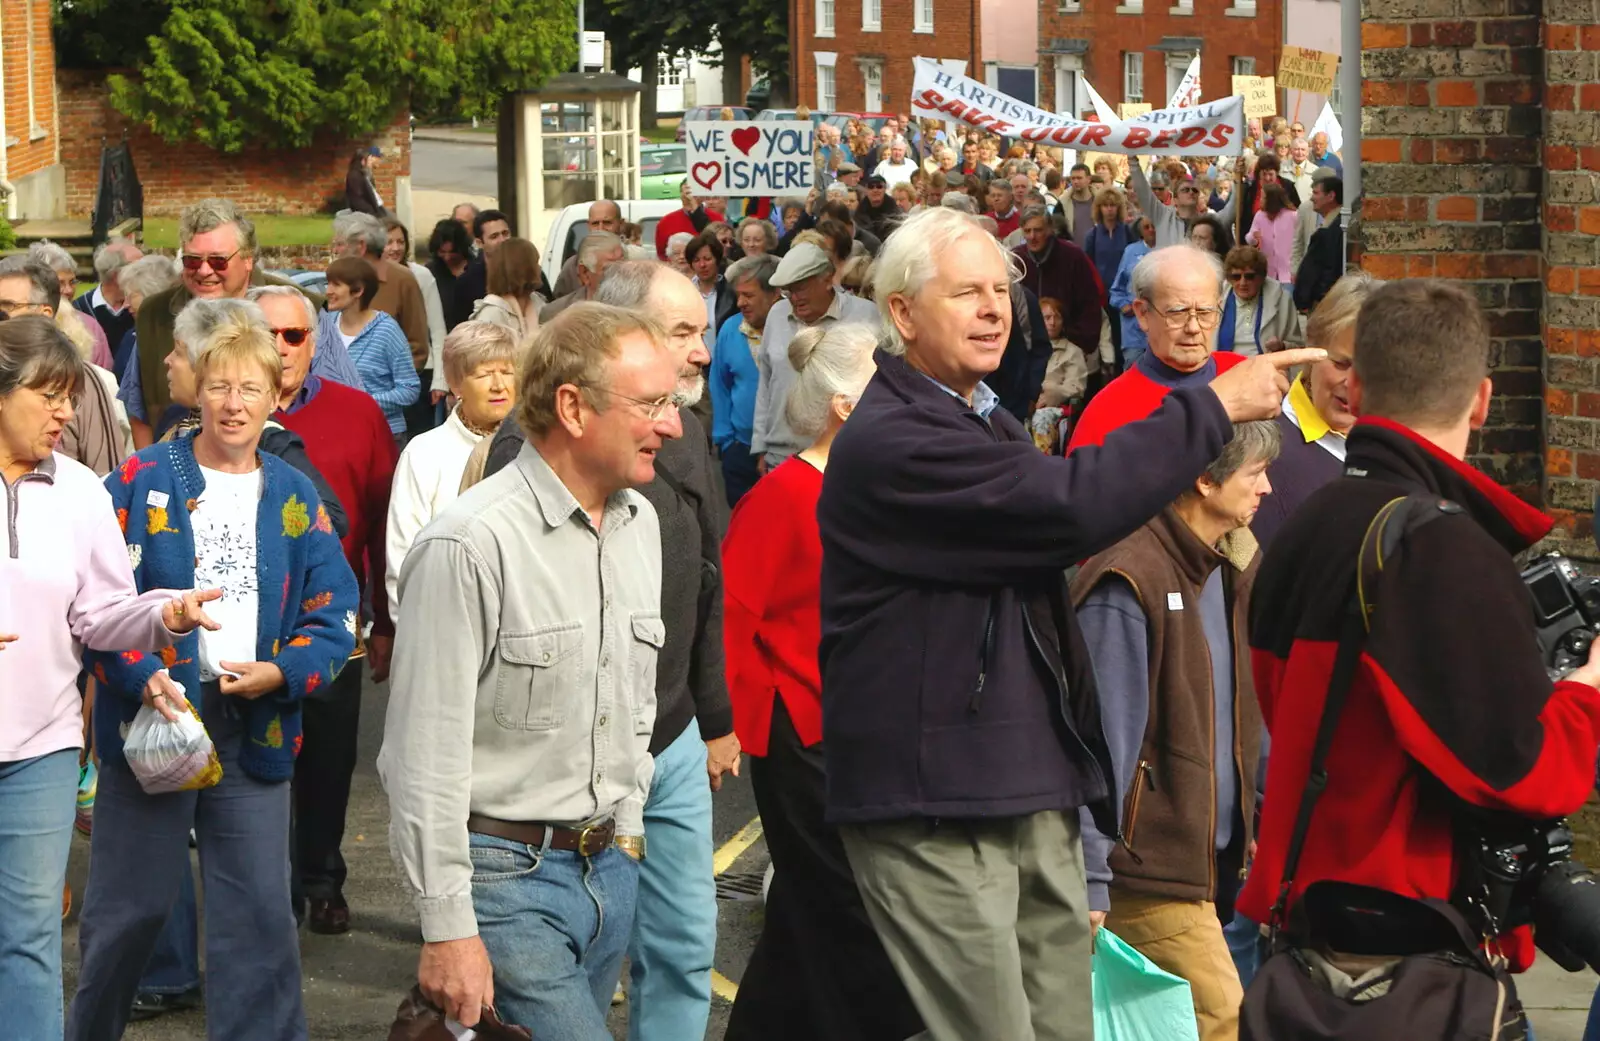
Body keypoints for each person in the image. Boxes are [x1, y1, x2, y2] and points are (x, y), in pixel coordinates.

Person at [817, 208, 1321, 1041]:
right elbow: (1067, 506)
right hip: (937, 800)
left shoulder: (985, 419)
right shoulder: (898, 437)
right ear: (902, 314)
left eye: (1000, 290)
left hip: (1023, 786)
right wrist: (1212, 405)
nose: (994, 309)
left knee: (1063, 1027)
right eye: (965, 293)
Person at [1239, 278, 1600, 982]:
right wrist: (1585, 690)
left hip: (1307, 921)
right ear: (1483, 398)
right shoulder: (1445, 550)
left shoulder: (1301, 525)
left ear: (1361, 387)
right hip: (1410, 945)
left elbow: (1281, 709)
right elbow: (1526, 771)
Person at [380, 302, 678, 1035]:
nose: (670, 425)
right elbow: (421, 755)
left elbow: (635, 704)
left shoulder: (642, 526)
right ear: (573, 407)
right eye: (651, 404)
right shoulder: (468, 545)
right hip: (503, 881)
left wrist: (629, 830)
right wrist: (449, 927)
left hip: (610, 866)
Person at [67, 308, 358, 1041]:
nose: (233, 403)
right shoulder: (137, 477)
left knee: (259, 918)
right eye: (220, 385)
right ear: (196, 389)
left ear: (275, 399)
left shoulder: (293, 493)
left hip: (253, 730)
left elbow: (336, 620)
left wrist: (282, 672)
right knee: (127, 911)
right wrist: (139, 677)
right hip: (153, 720)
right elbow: (96, 600)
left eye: (250, 389)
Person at [484, 263, 735, 1041]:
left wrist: (716, 715)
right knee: (584, 950)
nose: (700, 352)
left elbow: (708, 575)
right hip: (576, 749)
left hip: (675, 734)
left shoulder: (684, 430)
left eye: (701, 330)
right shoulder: (521, 457)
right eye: (682, 332)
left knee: (686, 940)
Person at [0, 316, 217, 1041]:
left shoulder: (81, 491)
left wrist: (167, 615)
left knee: (29, 934)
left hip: (42, 748)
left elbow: (102, 614)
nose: (66, 411)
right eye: (49, 394)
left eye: (70, 395)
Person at [722, 322, 921, 1041]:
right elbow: (735, 618)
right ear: (844, 405)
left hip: (850, 726)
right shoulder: (782, 495)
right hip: (798, 730)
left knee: (810, 908)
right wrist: (730, 732)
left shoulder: (861, 485)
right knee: (848, 904)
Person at [1073, 420, 1280, 1041]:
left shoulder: (1230, 564)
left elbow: (1247, 713)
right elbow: (1100, 741)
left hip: (1210, 861)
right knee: (1224, 1022)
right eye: (1255, 473)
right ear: (1204, 478)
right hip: (1146, 869)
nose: (1268, 489)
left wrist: (1260, 818)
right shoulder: (1131, 576)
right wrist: (1089, 874)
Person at [258, 283, 399, 936]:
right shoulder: (224, 415)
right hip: (252, 627)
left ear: (315, 343)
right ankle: (273, 887)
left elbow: (377, 522)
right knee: (260, 766)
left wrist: (383, 619)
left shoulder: (357, 412)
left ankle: (321, 876)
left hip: (333, 623)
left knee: (329, 762)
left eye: (293, 335)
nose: (280, 349)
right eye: (267, 334)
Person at [124, 199, 324, 449]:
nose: (204, 271)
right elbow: (138, 407)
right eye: (193, 261)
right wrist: (148, 469)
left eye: (218, 261)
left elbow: (340, 399)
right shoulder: (154, 314)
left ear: (248, 259)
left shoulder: (298, 307)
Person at [385, 321, 519, 618]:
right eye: (484, 374)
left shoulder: (539, 449)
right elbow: (402, 558)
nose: (499, 385)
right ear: (455, 384)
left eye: (507, 372)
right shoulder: (425, 453)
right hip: (445, 617)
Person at [1069, 245, 1255, 452]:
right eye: (1177, 312)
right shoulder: (1106, 413)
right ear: (1142, 313)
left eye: (1205, 312)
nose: (1193, 328)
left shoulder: (1245, 375)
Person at [1251, 271, 1380, 548]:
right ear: (1311, 350)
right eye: (1341, 364)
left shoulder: (1399, 444)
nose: (1354, 384)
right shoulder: (1263, 449)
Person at [751, 242, 879, 473]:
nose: (794, 297)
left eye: (801, 288)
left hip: (846, 456)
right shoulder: (777, 315)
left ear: (828, 279)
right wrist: (760, 446)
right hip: (782, 455)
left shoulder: (866, 315)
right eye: (788, 290)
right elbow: (766, 385)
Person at [0, 258, 128, 475]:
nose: (65, 412)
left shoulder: (87, 381)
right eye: (51, 396)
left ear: (45, 314)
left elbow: (108, 479)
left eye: (7, 308)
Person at [320, 256, 420, 437]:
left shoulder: (386, 330)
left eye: (336, 285)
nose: (328, 291)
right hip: (334, 434)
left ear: (358, 291)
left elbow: (409, 389)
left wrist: (362, 403)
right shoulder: (325, 325)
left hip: (383, 435)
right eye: (328, 284)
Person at [710, 255, 780, 508]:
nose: (740, 303)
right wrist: (726, 442)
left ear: (774, 294)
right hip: (740, 449)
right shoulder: (731, 329)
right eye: (738, 295)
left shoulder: (792, 329)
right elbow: (719, 385)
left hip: (785, 453)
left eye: (748, 295)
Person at [332, 212, 430, 377]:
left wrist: (386, 388)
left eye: (340, 244)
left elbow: (417, 348)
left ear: (361, 247)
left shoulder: (401, 280)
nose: (335, 250)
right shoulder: (338, 279)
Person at [1013, 205, 1104, 366]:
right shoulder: (1017, 259)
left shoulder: (1072, 256)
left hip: (1068, 346)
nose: (1032, 237)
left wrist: (1081, 343)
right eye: (1027, 231)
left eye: (1038, 230)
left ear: (1049, 229)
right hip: (1028, 347)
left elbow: (1090, 303)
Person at [29, 241, 113, 371]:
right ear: (37, 284)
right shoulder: (23, 322)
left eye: (72, 282)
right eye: (60, 282)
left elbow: (103, 375)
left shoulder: (90, 326)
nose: (68, 290)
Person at [1219, 245, 1302, 357]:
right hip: (1224, 368)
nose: (1243, 283)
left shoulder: (1283, 299)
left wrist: (1282, 346)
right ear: (1229, 279)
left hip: (1266, 368)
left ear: (1261, 277)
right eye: (1236, 277)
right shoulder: (1216, 298)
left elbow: (1298, 347)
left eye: (1249, 276)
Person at [1131, 166, 1239, 249]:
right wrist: (1133, 162)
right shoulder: (1163, 217)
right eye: (1185, 190)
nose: (1191, 192)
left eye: (1195, 190)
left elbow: (1231, 211)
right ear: (1175, 198)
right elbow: (1143, 192)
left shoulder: (1208, 220)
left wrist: (1238, 180)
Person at [445, 209, 515, 330]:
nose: (502, 240)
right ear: (479, 243)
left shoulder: (529, 272)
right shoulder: (467, 283)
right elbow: (460, 330)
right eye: (494, 236)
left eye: (505, 233)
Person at [469, 237, 543, 348]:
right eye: (535, 262)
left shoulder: (538, 302)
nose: (539, 268)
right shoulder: (492, 313)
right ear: (522, 268)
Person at [76, 237, 144, 358]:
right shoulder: (79, 310)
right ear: (116, 274)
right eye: (138, 268)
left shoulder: (142, 308)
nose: (146, 271)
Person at [541, 231, 625, 324]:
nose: (620, 275)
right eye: (610, 269)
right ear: (584, 273)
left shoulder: (638, 308)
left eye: (623, 267)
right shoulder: (555, 315)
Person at [1293, 176, 1345, 313]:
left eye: (1316, 193)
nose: (1311, 198)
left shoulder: (1335, 228)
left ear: (1330, 196)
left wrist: (1317, 297)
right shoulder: (1332, 225)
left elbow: (1330, 269)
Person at [552, 200, 624, 298]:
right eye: (595, 224)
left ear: (621, 224)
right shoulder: (572, 266)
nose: (600, 229)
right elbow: (559, 305)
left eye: (607, 223)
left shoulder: (636, 261)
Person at [1109, 217, 1154, 369]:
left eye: (1154, 226)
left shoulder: (1168, 250)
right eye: (1146, 227)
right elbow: (1116, 290)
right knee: (1132, 378)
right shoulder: (1130, 251)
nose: (1151, 230)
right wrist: (1123, 305)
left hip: (1159, 331)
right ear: (1140, 231)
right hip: (1133, 332)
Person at [688, 230, 738, 352]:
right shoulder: (684, 292)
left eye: (707, 259)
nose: (702, 265)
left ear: (717, 259)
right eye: (696, 260)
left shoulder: (731, 292)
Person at [1290, 167, 1339, 278]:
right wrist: (1295, 270)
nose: (1313, 197)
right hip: (1309, 269)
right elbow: (1298, 241)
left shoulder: (1340, 212)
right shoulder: (1305, 208)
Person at [427, 218, 475, 332]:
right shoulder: (431, 273)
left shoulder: (476, 269)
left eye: (452, 252)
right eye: (442, 252)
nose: (447, 257)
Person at [656, 179, 720, 260]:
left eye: (694, 192)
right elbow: (662, 255)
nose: (690, 196)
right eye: (687, 192)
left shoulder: (716, 219)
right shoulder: (665, 222)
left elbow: (720, 246)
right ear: (680, 195)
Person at [1245, 182, 1297, 283]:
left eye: (1263, 197)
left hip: (1288, 273)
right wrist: (1253, 237)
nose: (1260, 200)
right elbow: (1249, 238)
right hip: (1268, 273)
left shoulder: (1293, 216)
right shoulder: (1260, 215)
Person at [344, 146, 387, 215]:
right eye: (378, 158)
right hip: (367, 212)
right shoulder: (358, 175)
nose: (380, 161)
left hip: (373, 209)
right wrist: (375, 212)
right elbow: (358, 199)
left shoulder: (363, 174)